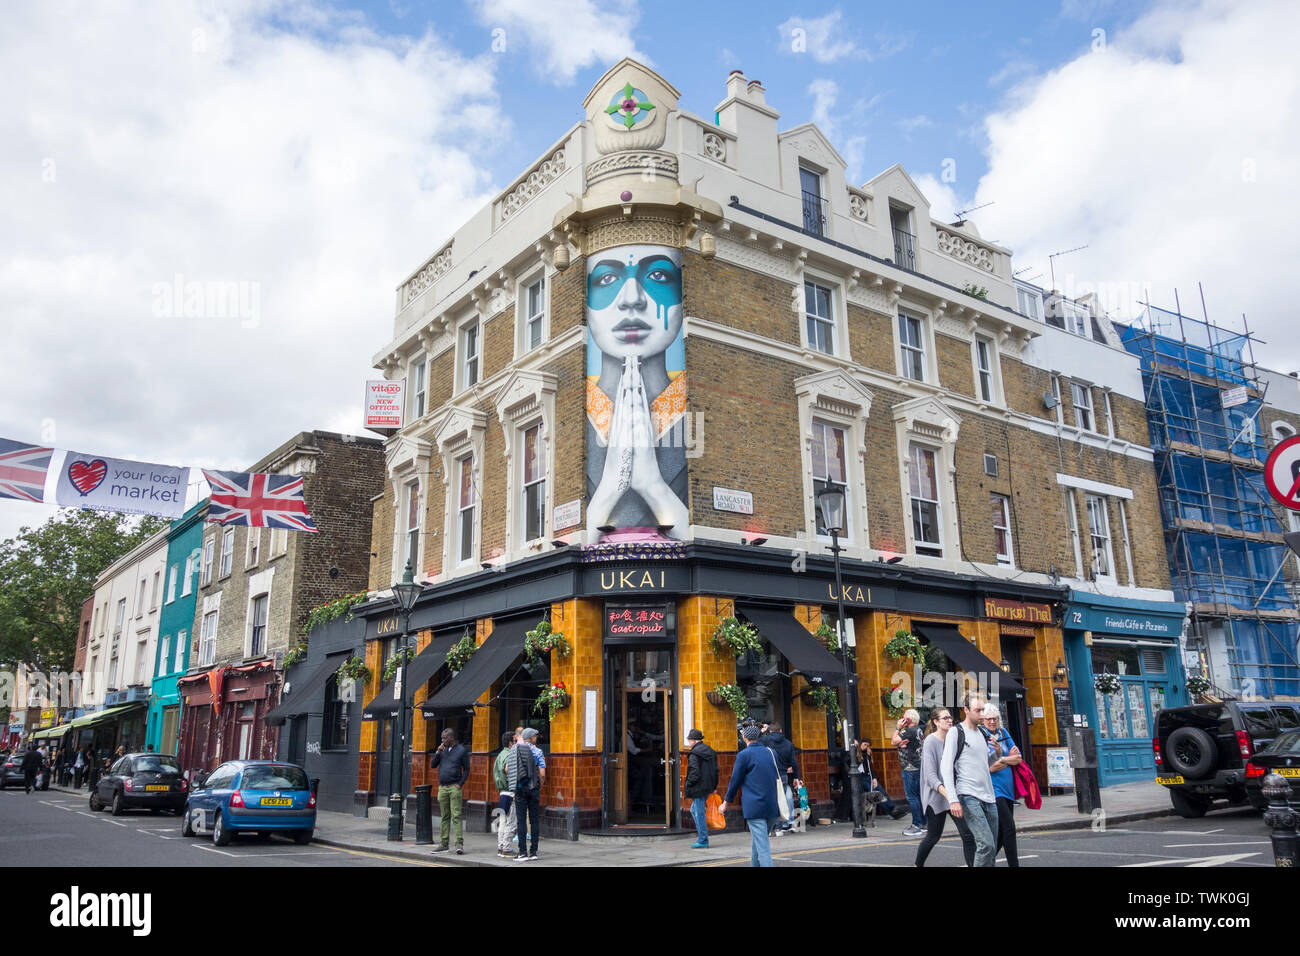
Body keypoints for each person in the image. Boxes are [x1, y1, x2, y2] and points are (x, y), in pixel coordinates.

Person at [584, 243, 690, 541]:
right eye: (606, 279)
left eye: (658, 276)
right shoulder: (575, 417)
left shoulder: (699, 412)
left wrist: (653, 486)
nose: (632, 299)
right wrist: (610, 487)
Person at [940, 692, 999, 866]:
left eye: (983, 710)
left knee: (992, 847)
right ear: (966, 710)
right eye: (978, 710)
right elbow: (946, 766)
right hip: (968, 795)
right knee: (986, 844)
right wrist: (953, 799)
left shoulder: (982, 733)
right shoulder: (955, 732)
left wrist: (997, 753)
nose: (982, 714)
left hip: (989, 796)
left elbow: (984, 764)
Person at [915, 709, 976, 866]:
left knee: (968, 835)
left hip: (953, 795)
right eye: (945, 718)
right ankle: (917, 864)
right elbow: (930, 777)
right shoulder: (930, 742)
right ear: (936, 722)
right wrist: (950, 796)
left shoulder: (953, 739)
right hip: (936, 797)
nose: (950, 720)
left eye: (950, 717)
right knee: (933, 836)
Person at [720, 725, 783, 867]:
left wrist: (725, 802)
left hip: (754, 808)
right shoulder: (771, 752)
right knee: (759, 842)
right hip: (772, 806)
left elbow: (735, 781)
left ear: (744, 738)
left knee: (763, 847)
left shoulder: (743, 755)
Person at [983, 706, 1023, 867]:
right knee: (1009, 828)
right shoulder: (982, 736)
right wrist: (1008, 758)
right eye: (988, 719)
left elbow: (1018, 758)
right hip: (994, 789)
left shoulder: (1004, 733)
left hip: (1008, 789)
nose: (992, 721)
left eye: (995, 718)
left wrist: (1003, 759)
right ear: (982, 721)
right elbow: (990, 767)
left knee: (1000, 832)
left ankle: (984, 861)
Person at [429, 728, 470, 854]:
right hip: (442, 787)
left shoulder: (461, 750)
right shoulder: (442, 750)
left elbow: (467, 769)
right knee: (444, 817)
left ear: (451, 738)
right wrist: (437, 752)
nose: (442, 741)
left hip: (454, 787)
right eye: (442, 738)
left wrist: (460, 784)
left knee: (456, 816)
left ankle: (459, 844)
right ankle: (444, 844)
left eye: (444, 738)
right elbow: (433, 765)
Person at [508, 728, 546, 862]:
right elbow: (542, 773)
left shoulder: (515, 749)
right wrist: (539, 785)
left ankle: (522, 852)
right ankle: (534, 852)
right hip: (534, 788)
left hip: (520, 788)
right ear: (531, 737)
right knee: (534, 820)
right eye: (535, 736)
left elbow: (508, 769)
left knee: (521, 820)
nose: (537, 737)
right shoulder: (538, 751)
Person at [760, 723, 801, 831]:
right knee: (788, 796)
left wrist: (762, 732)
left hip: (770, 775)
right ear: (781, 731)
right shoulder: (788, 743)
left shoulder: (766, 740)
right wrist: (797, 777)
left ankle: (777, 825)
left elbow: (753, 743)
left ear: (770, 731)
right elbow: (794, 762)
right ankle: (790, 821)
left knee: (776, 799)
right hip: (783, 775)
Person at [892, 708, 927, 836]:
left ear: (908, 719)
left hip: (910, 767)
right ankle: (923, 823)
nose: (902, 719)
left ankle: (916, 824)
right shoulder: (918, 730)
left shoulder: (909, 730)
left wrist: (898, 728)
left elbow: (893, 741)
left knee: (912, 797)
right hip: (918, 766)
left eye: (904, 718)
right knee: (918, 796)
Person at [855, 739, 908, 821]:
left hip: (869, 777)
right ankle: (891, 811)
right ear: (860, 744)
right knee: (875, 794)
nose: (865, 747)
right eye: (864, 744)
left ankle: (893, 809)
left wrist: (874, 778)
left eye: (867, 746)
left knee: (881, 792)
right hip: (861, 778)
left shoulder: (866, 755)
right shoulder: (856, 754)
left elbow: (870, 769)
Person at [682, 728, 718, 849]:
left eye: (689, 740)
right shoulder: (711, 751)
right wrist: (714, 786)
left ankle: (703, 840)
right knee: (694, 811)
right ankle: (702, 836)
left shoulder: (694, 754)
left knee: (699, 813)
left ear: (693, 740)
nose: (688, 742)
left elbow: (694, 772)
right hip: (708, 786)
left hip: (698, 787)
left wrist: (688, 784)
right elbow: (715, 770)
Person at [493, 730, 519, 858]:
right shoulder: (510, 754)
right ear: (510, 743)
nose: (516, 743)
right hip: (510, 792)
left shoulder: (499, 755)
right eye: (515, 741)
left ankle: (500, 847)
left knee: (502, 822)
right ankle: (507, 848)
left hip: (502, 793)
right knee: (511, 822)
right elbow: (508, 769)